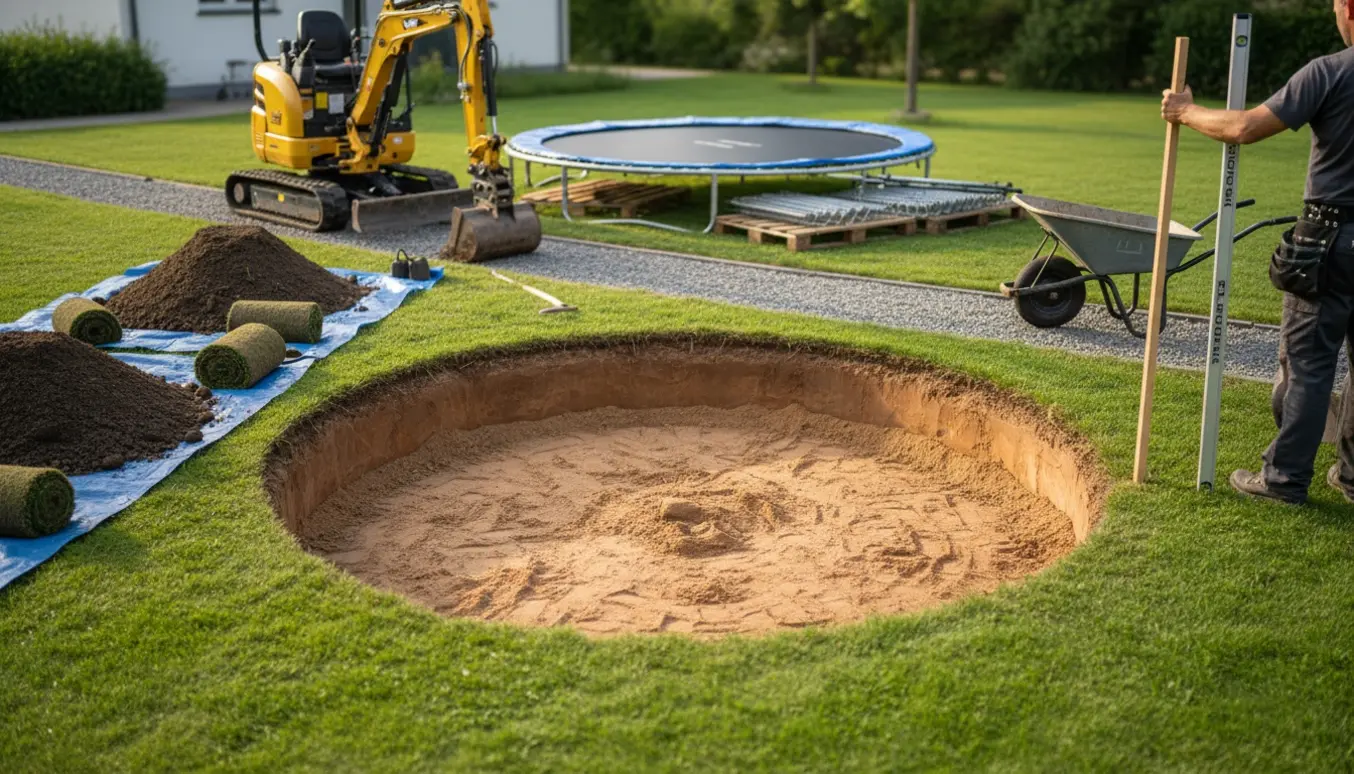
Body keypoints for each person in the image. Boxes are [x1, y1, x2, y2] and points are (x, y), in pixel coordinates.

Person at [1161, 0, 1354, 504]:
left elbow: (1244, 128)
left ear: (1349, 9)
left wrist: (1184, 110)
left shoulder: (1329, 72)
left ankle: (1284, 479)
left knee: (1309, 365)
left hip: (1331, 241)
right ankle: (1352, 475)